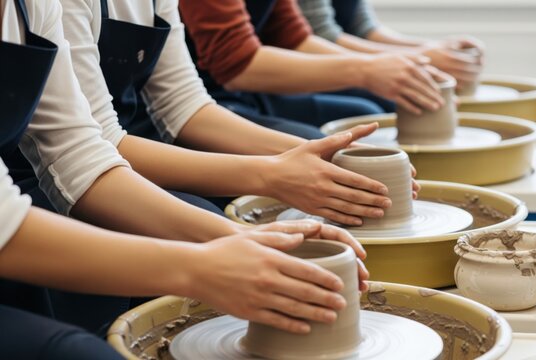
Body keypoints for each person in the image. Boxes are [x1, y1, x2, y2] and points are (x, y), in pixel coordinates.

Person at [0, 0, 366, 340]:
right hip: (27, 185)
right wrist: (202, 264)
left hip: (82, 164)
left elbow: (86, 149)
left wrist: (242, 230)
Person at [56, 0, 414, 224]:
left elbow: (185, 104)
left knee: (326, 153)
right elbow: (89, 148)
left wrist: (318, 155)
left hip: (121, 137)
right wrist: (270, 173)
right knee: (218, 214)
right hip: (56, 172)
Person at [179, 0, 449, 129]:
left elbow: (294, 38)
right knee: (338, 148)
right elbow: (236, 64)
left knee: (366, 114)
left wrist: (384, 65)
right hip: (205, 99)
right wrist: (366, 70)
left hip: (241, 92)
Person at [297, 0, 485, 94]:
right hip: (305, 71)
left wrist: (434, 48)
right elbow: (322, 35)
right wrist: (420, 57)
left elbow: (365, 28)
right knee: (379, 108)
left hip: (340, 57)